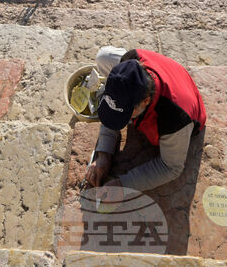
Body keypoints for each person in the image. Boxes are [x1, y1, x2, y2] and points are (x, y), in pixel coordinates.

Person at [85, 48, 206, 192]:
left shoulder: (174, 117)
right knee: (103, 56)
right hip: (166, 69)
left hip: (185, 101)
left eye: (127, 114)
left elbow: (171, 168)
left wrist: (123, 185)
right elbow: (113, 106)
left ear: (145, 101)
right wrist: (104, 154)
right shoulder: (128, 64)